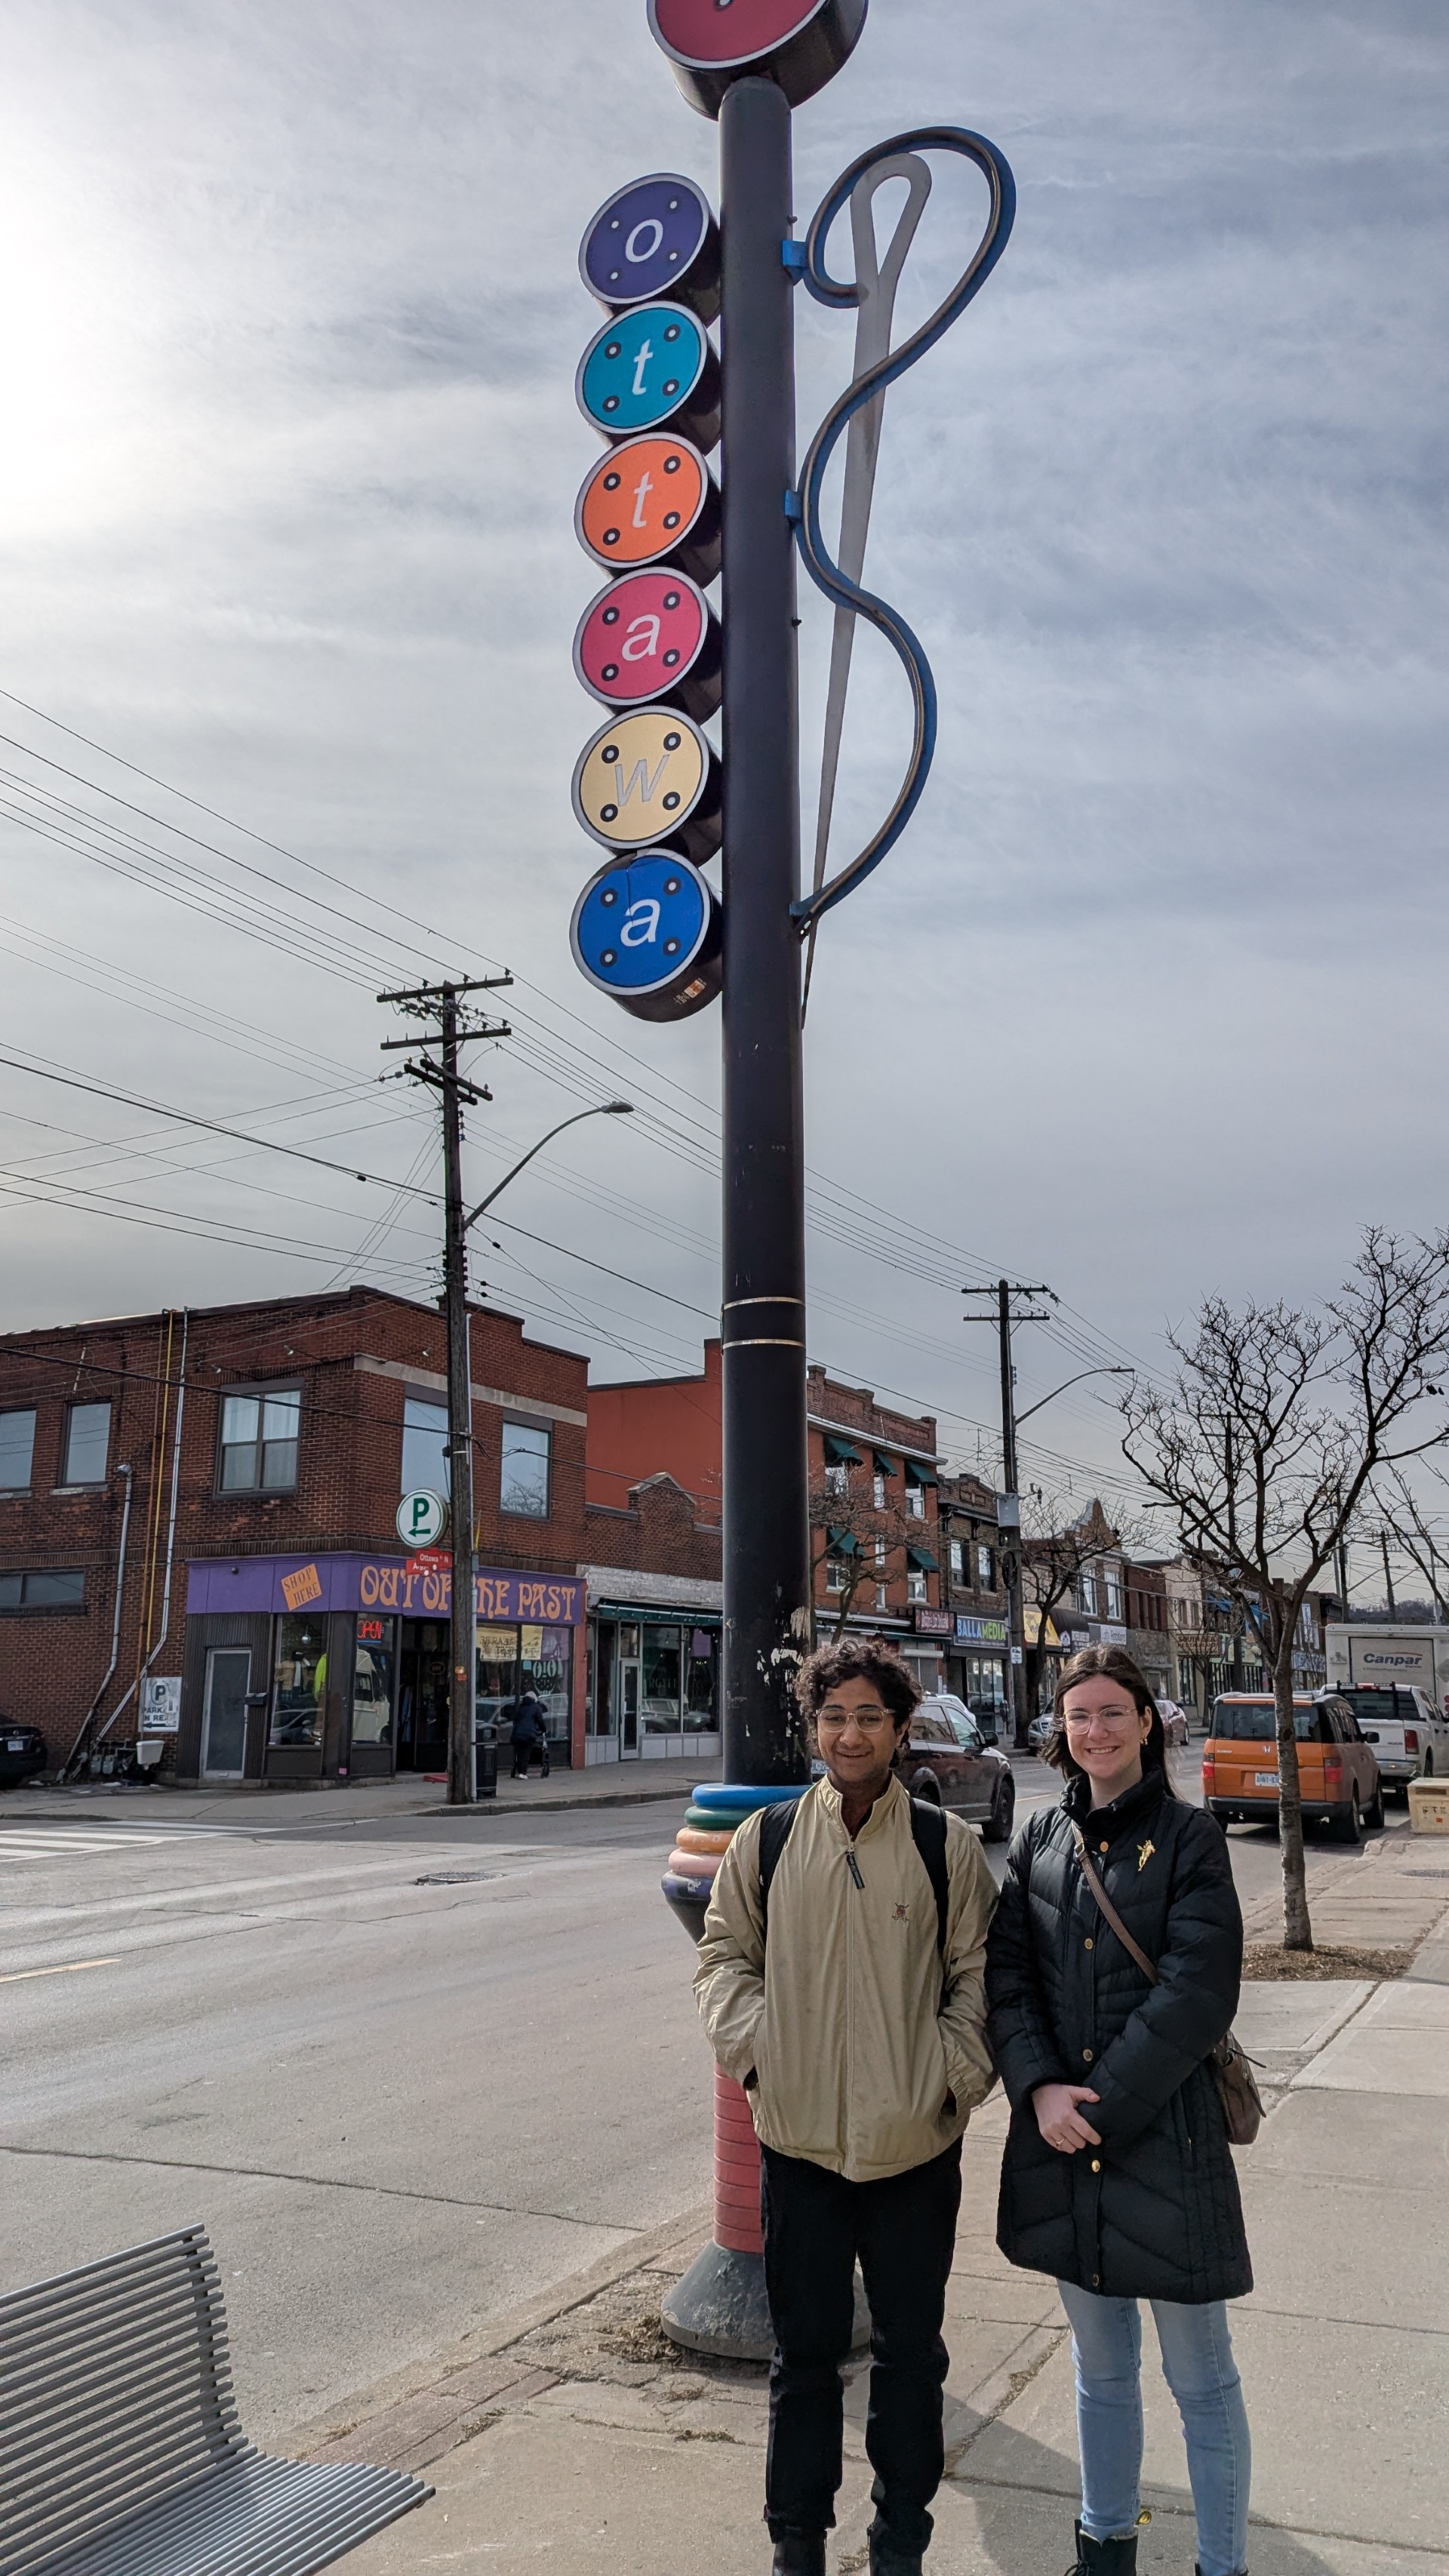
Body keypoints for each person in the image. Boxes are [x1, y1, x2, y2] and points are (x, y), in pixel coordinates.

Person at [694, 1639, 999, 2576]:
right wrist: (760, 2058)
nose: (850, 1732)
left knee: (911, 2355)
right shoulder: (771, 1838)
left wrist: (945, 2078)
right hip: (801, 2146)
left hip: (914, 2151)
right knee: (804, 2358)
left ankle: (900, 2533)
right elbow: (722, 1958)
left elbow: (981, 1979)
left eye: (869, 1715)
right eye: (834, 1716)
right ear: (814, 1726)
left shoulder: (945, 1848)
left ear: (902, 1728)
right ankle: (798, 2541)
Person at [985, 1645, 1253, 2576]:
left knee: (1201, 2379)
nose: (1093, 1729)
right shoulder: (1039, 1838)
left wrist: (1101, 2105)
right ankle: (1105, 2548)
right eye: (1077, 1714)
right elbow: (1006, 1977)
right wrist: (1039, 2087)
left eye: (1111, 1711)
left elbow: (1196, 1991)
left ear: (1148, 1721)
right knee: (1101, 2371)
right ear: (1060, 1729)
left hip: (1166, 2143)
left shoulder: (1191, 1838)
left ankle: (1221, 2562)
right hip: (1065, 2143)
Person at [506, 1689, 549, 1780]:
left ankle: (519, 1769)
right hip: (529, 1735)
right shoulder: (536, 1707)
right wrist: (544, 1730)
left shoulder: (521, 1707)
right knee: (526, 1753)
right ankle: (523, 1773)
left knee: (519, 1752)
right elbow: (540, 1721)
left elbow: (515, 1719)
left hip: (517, 1734)